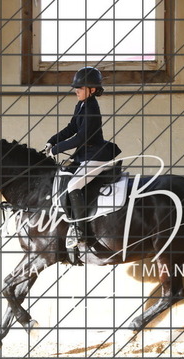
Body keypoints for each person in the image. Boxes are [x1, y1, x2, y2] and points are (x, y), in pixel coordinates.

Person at [44, 66, 121, 249]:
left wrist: (57, 149)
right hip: (84, 155)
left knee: (73, 185)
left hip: (96, 155)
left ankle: (80, 232)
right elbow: (71, 127)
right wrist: (52, 141)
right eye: (76, 88)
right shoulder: (81, 105)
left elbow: (81, 138)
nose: (76, 91)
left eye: (80, 88)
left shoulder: (91, 108)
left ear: (92, 89)